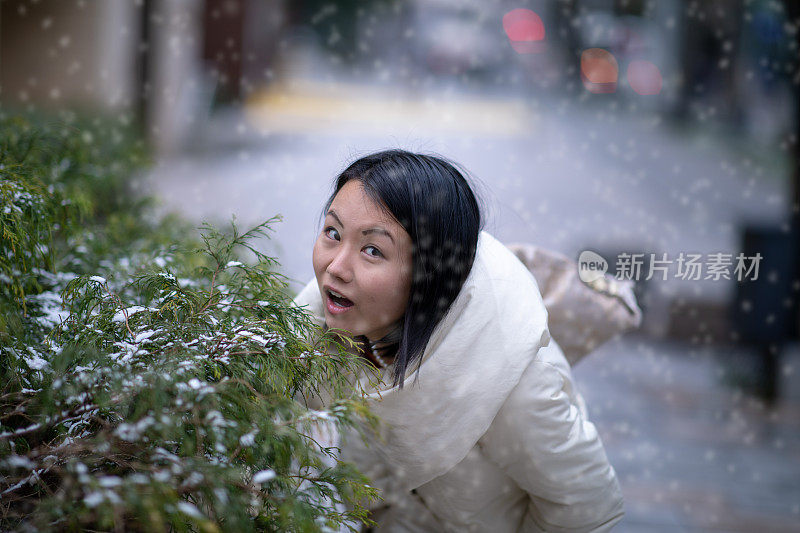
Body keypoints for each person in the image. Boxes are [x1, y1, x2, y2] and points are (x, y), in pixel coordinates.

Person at [293, 149, 629, 532]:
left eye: (373, 250)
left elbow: (584, 506)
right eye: (333, 233)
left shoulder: (511, 379)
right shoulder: (314, 331)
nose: (335, 267)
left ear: (428, 274)